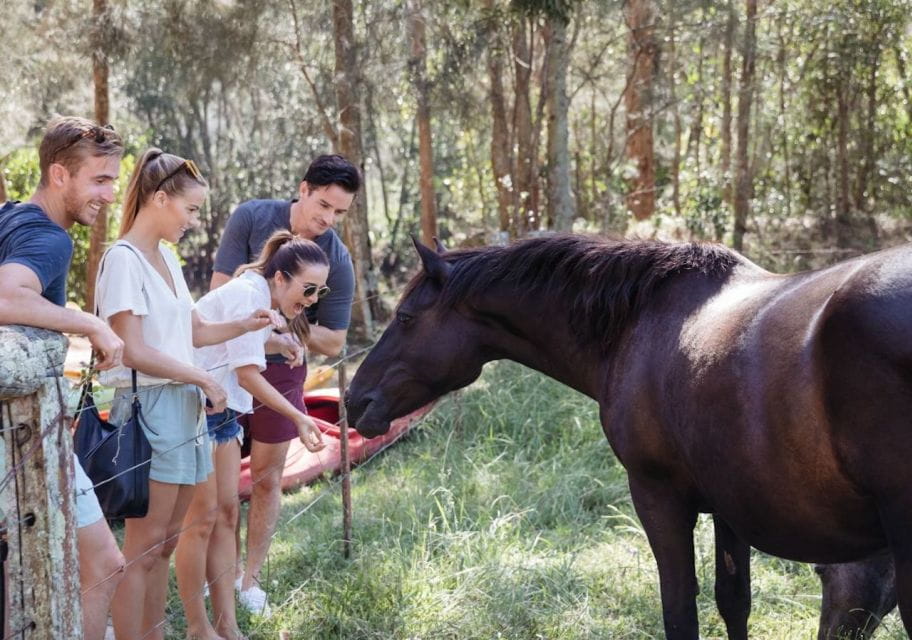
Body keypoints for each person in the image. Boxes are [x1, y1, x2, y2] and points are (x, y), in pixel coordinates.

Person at [95, 148, 276, 640]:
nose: (195, 222)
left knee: (165, 546)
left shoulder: (168, 259)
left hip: (185, 409)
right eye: (191, 210)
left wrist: (246, 323)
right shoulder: (123, 259)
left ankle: (154, 633)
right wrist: (202, 378)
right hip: (153, 408)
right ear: (158, 199)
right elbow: (130, 349)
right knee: (144, 546)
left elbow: (193, 330)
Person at [211, 154, 360, 614]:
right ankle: (221, 571)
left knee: (265, 479)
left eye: (339, 212)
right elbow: (220, 296)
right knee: (220, 486)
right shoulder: (252, 217)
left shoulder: (337, 257)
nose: (327, 219)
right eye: (322, 205)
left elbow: (333, 340)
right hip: (224, 364)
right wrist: (267, 327)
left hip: (283, 372)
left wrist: (284, 331)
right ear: (302, 189)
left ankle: (249, 582)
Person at [0, 115, 125, 640]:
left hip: (22, 436)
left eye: (114, 180)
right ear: (59, 174)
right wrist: (91, 320)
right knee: (103, 564)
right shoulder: (51, 239)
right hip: (28, 443)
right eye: (99, 180)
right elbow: (7, 296)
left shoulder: (10, 217)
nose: (110, 195)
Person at [175, 231, 328, 639]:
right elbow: (247, 374)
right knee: (201, 522)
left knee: (226, 515)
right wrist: (300, 416)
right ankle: (198, 627)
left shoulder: (261, 297)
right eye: (307, 289)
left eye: (320, 291)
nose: (311, 300)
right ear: (280, 278)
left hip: (223, 411)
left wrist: (278, 340)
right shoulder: (248, 294)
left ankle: (228, 626)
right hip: (195, 410)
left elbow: (241, 339)